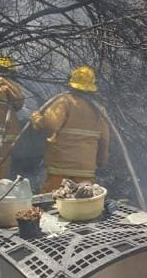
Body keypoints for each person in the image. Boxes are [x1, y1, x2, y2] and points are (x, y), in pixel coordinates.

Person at [29, 65, 110, 193]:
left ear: (72, 84)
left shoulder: (64, 101)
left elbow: (50, 123)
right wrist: (101, 161)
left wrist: (36, 119)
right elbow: (104, 141)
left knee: (51, 200)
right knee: (82, 201)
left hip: (61, 167)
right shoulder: (99, 110)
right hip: (85, 168)